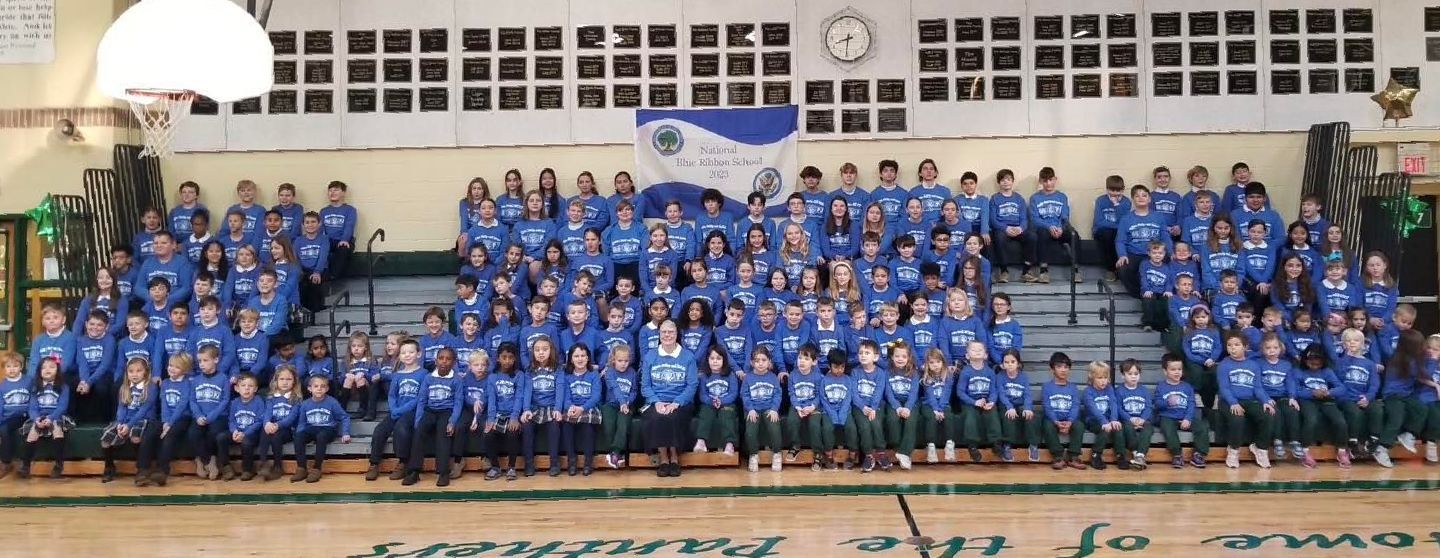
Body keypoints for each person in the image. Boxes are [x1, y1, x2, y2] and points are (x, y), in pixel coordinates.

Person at [641, 320, 698, 478]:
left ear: (677, 334)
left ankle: (674, 457)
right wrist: (657, 402)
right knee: (657, 416)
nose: (667, 335)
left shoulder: (688, 357)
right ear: (659, 334)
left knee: (673, 416)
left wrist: (677, 402)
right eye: (664, 332)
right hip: (656, 401)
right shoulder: (650, 356)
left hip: (680, 401)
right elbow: (645, 386)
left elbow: (692, 385)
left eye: (671, 332)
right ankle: (663, 459)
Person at [403, 347, 464, 486]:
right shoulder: (428, 378)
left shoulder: (456, 380)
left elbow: (458, 403)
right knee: (418, 432)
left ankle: (443, 472)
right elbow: (422, 400)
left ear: (454, 362)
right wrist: (418, 420)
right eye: (441, 358)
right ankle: (414, 471)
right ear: (436, 361)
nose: (444, 361)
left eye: (448, 359)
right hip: (430, 411)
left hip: (446, 412)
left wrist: (452, 421)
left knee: (444, 434)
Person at [364, 339, 423, 481]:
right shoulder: (397, 375)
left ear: (419, 354)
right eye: (403, 353)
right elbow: (392, 395)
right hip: (396, 410)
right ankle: (374, 463)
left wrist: (400, 410)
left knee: (400, 429)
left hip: (412, 412)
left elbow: (420, 398)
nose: (407, 355)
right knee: (380, 430)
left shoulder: (424, 374)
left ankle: (403, 463)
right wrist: (393, 409)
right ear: (399, 356)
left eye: (411, 352)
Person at [1216, 332, 1275, 469]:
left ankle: (1260, 448)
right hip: (1228, 401)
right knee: (1237, 417)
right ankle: (1233, 450)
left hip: (1249, 400)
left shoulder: (1253, 365)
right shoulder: (1224, 365)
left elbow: (1258, 388)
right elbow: (1224, 388)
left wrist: (1265, 400)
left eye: (1237, 345)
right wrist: (1233, 403)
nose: (1233, 348)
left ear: (1245, 347)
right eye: (1229, 345)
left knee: (1268, 414)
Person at [1374, 329, 1428, 468]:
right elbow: (1423, 375)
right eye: (1419, 345)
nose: (1422, 348)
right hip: (1392, 396)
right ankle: (1382, 448)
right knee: (1396, 418)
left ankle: (1408, 434)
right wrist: (1432, 359)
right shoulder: (1400, 360)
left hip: (1406, 395)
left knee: (1421, 409)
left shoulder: (1413, 360)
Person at [99, 358, 158, 484]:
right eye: (131, 371)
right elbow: (122, 407)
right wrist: (120, 423)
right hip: (126, 420)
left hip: (143, 419)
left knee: (135, 437)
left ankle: (141, 469)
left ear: (146, 372)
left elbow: (144, 410)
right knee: (105, 439)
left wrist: (129, 425)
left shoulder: (150, 387)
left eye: (138, 371)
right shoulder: (124, 387)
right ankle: (109, 467)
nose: (134, 374)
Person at [1293, 345, 1349, 468]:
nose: (1314, 365)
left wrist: (1329, 392)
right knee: (1311, 419)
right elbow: (1296, 391)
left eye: (1317, 363)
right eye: (1311, 362)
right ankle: (1305, 452)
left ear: (1323, 361)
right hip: (1307, 400)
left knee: (1340, 421)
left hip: (1325, 399)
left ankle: (1342, 451)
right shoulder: (1298, 371)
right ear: (1305, 360)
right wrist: (1311, 393)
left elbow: (1341, 388)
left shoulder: (1327, 371)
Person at [291, 374, 351, 483]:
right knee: (298, 436)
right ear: (309, 389)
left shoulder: (332, 402)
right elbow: (302, 423)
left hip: (328, 429)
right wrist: (299, 434)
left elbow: (344, 417)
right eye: (316, 386)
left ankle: (317, 469)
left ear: (327, 389)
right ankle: (301, 468)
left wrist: (345, 433)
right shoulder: (305, 404)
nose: (319, 389)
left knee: (321, 436)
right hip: (312, 428)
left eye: (323, 386)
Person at [1154, 353, 1209, 468]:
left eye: (1179, 369)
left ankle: (1199, 454)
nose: (1177, 372)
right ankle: (1177, 454)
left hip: (1185, 417)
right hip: (1168, 416)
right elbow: (1157, 404)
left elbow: (1191, 404)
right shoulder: (1161, 387)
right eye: (1173, 369)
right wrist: (1168, 402)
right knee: (1167, 428)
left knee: (1202, 426)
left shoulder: (1187, 387)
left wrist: (1187, 419)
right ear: (1165, 371)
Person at [1115, 185, 1171, 298]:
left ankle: (1160, 294)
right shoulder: (1126, 219)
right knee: (1122, 267)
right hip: (1134, 254)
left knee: (1171, 264)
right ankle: (1140, 295)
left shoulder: (1158, 217)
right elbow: (1120, 240)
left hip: (1155, 253)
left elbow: (1165, 236)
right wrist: (1122, 255)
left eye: (1144, 195)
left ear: (1149, 199)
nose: (1141, 198)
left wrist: (1171, 252)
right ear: (1133, 199)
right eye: (1137, 196)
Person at [484, 343, 529, 481]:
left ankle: (511, 467)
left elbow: (519, 397)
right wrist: (491, 419)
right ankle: (495, 467)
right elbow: (491, 400)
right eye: (504, 357)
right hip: (498, 414)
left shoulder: (519, 375)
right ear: (498, 358)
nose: (507, 361)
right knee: (488, 434)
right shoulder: (492, 377)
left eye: (510, 357)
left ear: (515, 359)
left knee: (512, 433)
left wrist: (515, 417)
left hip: (513, 414)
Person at [1027, 166, 1080, 284]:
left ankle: (1075, 270)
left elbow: (1065, 215)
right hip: (1044, 229)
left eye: (1050, 180)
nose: (1048, 183)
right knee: (1042, 233)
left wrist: (1060, 228)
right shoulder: (1035, 198)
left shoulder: (1062, 197)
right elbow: (1034, 219)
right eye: (1045, 181)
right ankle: (1043, 271)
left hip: (1060, 228)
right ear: (1041, 181)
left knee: (1074, 235)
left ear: (1055, 179)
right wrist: (1049, 227)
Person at [188, 346, 231, 480]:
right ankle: (204, 461)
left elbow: (225, 400)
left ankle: (211, 460)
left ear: (216, 360)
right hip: (200, 416)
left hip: (218, 416)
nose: (202, 364)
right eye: (200, 361)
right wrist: (198, 415)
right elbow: (192, 400)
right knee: (193, 434)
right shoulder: (196, 380)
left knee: (213, 432)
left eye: (205, 360)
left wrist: (211, 416)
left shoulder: (223, 378)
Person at [522, 336, 563, 477]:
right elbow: (527, 391)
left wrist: (558, 409)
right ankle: (529, 464)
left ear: (551, 351)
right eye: (537, 350)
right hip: (535, 407)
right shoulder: (529, 370)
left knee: (554, 426)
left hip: (551, 406)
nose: (541, 353)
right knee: (526, 426)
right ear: (532, 352)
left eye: (545, 349)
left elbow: (560, 390)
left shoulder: (558, 369)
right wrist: (526, 409)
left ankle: (554, 464)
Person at [559, 344, 602, 476]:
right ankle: (571, 461)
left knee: (588, 427)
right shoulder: (567, 376)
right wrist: (570, 407)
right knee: (567, 425)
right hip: (572, 407)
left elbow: (596, 396)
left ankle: (588, 463)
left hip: (588, 407)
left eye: (583, 356)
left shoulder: (594, 375)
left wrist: (582, 408)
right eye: (576, 356)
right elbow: (565, 397)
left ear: (588, 358)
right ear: (571, 359)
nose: (580, 359)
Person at [152, 354, 193, 486]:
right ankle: (144, 469)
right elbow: (164, 404)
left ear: (185, 370)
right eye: (170, 365)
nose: (172, 369)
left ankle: (162, 470)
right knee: (152, 433)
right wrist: (165, 422)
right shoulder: (165, 383)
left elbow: (182, 405)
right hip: (167, 418)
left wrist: (170, 424)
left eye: (177, 367)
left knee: (169, 435)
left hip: (183, 417)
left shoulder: (187, 383)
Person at [742, 346, 784, 473]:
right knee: (750, 431)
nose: (760, 363)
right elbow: (744, 395)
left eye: (763, 360)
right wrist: (750, 409)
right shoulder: (748, 378)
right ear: (751, 363)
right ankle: (753, 455)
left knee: (774, 427)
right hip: (753, 410)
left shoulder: (773, 377)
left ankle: (777, 454)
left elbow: (777, 394)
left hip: (769, 409)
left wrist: (774, 409)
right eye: (757, 360)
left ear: (769, 361)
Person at [1041, 352, 1086, 470]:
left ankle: (1073, 456)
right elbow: (1047, 406)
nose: (1063, 370)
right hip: (1053, 420)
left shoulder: (1073, 387)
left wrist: (1070, 421)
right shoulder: (1047, 387)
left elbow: (1075, 406)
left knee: (1079, 425)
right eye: (1059, 366)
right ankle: (1058, 456)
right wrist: (1056, 421)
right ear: (1052, 369)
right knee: (1047, 425)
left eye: (1066, 367)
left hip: (1069, 419)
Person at [956, 341, 999, 463]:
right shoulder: (966, 372)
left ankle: (996, 442)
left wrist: (991, 401)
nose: (977, 352)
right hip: (970, 403)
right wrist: (974, 402)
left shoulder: (990, 372)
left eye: (980, 350)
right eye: (974, 350)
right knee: (970, 415)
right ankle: (972, 445)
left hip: (985, 402)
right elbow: (960, 392)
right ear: (967, 355)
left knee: (993, 413)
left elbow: (994, 390)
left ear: (985, 355)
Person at [258, 364, 302, 481]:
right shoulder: (271, 397)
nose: (285, 382)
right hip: (273, 426)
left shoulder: (296, 398)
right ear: (276, 381)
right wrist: (267, 423)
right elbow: (267, 413)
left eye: (289, 379)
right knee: (265, 431)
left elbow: (291, 418)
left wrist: (277, 425)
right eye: (281, 379)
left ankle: (278, 466)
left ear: (294, 381)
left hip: (287, 430)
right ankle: (263, 463)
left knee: (276, 434)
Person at [784, 344, 825, 467]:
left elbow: (819, 395)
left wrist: (812, 407)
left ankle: (818, 453)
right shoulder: (792, 375)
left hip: (813, 405)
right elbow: (791, 393)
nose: (802, 361)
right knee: (791, 421)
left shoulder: (818, 376)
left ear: (814, 362)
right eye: (800, 358)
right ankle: (795, 446)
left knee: (814, 425)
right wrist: (798, 407)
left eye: (806, 359)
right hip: (798, 405)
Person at [1082, 361, 1127, 470]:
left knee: (1118, 428)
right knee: (1105, 430)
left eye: (1105, 377)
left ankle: (1121, 456)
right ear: (1092, 377)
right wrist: (1104, 422)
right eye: (1100, 378)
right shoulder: (1088, 391)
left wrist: (1114, 420)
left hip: (1107, 419)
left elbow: (1113, 404)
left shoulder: (1109, 388)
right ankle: (1096, 455)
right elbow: (1093, 409)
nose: (1103, 381)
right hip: (1093, 420)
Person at [694, 346, 739, 456]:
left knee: (727, 415)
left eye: (718, 358)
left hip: (727, 403)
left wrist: (722, 401)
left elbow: (733, 393)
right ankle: (701, 441)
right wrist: (711, 401)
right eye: (712, 358)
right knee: (705, 414)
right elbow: (702, 394)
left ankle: (729, 444)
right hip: (709, 403)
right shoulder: (704, 376)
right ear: (707, 360)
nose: (715, 361)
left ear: (724, 360)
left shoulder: (730, 375)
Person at [989, 169, 1031, 283]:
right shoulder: (994, 199)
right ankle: (1004, 271)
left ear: (1012, 181)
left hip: (1017, 228)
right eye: (1002, 180)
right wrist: (1005, 228)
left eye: (1008, 179)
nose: (1006, 182)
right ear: (999, 183)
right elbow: (992, 220)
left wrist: (1020, 228)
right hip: (1002, 228)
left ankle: (1026, 271)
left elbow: (1024, 219)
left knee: (1032, 237)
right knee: (999, 237)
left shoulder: (1019, 199)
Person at [220, 373, 265, 481]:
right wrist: (234, 431)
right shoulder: (234, 403)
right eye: (243, 385)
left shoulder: (259, 401)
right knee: (221, 438)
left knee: (246, 442)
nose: (246, 388)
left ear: (255, 389)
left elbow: (259, 421)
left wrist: (245, 433)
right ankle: (226, 467)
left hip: (252, 433)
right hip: (237, 431)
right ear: (237, 388)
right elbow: (231, 420)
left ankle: (248, 470)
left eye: (250, 386)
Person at [882, 341, 919, 470]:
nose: (900, 359)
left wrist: (907, 407)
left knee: (911, 421)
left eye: (903, 356)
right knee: (892, 419)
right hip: (894, 403)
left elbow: (914, 393)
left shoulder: (914, 373)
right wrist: (897, 407)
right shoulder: (887, 372)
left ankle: (905, 453)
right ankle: (898, 448)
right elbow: (888, 393)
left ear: (908, 358)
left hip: (910, 403)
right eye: (897, 356)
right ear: (892, 357)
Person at [601, 344, 638, 470]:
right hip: (611, 404)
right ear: (613, 360)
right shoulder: (610, 372)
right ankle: (613, 452)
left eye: (626, 361)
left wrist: (627, 402)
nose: (623, 364)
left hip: (627, 406)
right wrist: (622, 402)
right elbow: (614, 388)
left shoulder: (632, 372)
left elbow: (634, 391)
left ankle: (615, 452)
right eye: (620, 361)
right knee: (609, 425)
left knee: (622, 424)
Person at [1115, 360, 1154, 471]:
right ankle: (1135, 452)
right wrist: (1130, 419)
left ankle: (1140, 455)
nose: (1133, 377)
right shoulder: (1119, 391)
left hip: (1142, 419)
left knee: (1148, 428)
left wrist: (1142, 419)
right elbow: (1118, 408)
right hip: (1127, 420)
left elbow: (1148, 407)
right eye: (1130, 374)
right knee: (1127, 427)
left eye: (1136, 374)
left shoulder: (1144, 390)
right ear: (1123, 375)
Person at [1092, 175, 1130, 283]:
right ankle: (1111, 269)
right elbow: (1099, 222)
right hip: (1101, 231)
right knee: (1109, 234)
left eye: (1118, 190)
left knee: (1119, 236)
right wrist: (1117, 226)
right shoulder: (1100, 200)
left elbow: (1124, 221)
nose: (1115, 193)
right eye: (1112, 190)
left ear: (1123, 189)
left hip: (1118, 231)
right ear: (1107, 189)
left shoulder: (1126, 202)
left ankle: (1121, 268)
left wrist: (1117, 205)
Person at [0, 352, 29, 479]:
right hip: (8, 418)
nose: (12, 369)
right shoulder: (2, 386)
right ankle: (6, 463)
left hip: (25, 416)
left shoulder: (28, 381)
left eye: (15, 366)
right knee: (3, 430)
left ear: (21, 367)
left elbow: (34, 399)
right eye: (8, 366)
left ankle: (24, 463)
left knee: (26, 431)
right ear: (4, 368)